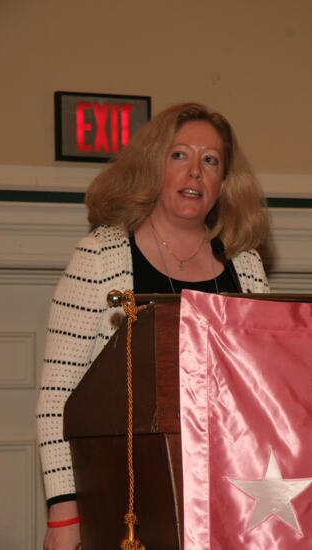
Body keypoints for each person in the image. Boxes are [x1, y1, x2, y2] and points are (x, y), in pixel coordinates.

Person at [36, 102, 270, 549]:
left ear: (223, 182)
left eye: (210, 160)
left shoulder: (247, 267)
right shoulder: (101, 257)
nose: (195, 172)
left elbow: (262, 396)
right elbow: (56, 402)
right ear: (152, 166)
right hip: (119, 497)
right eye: (179, 155)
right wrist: (64, 512)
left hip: (231, 496)